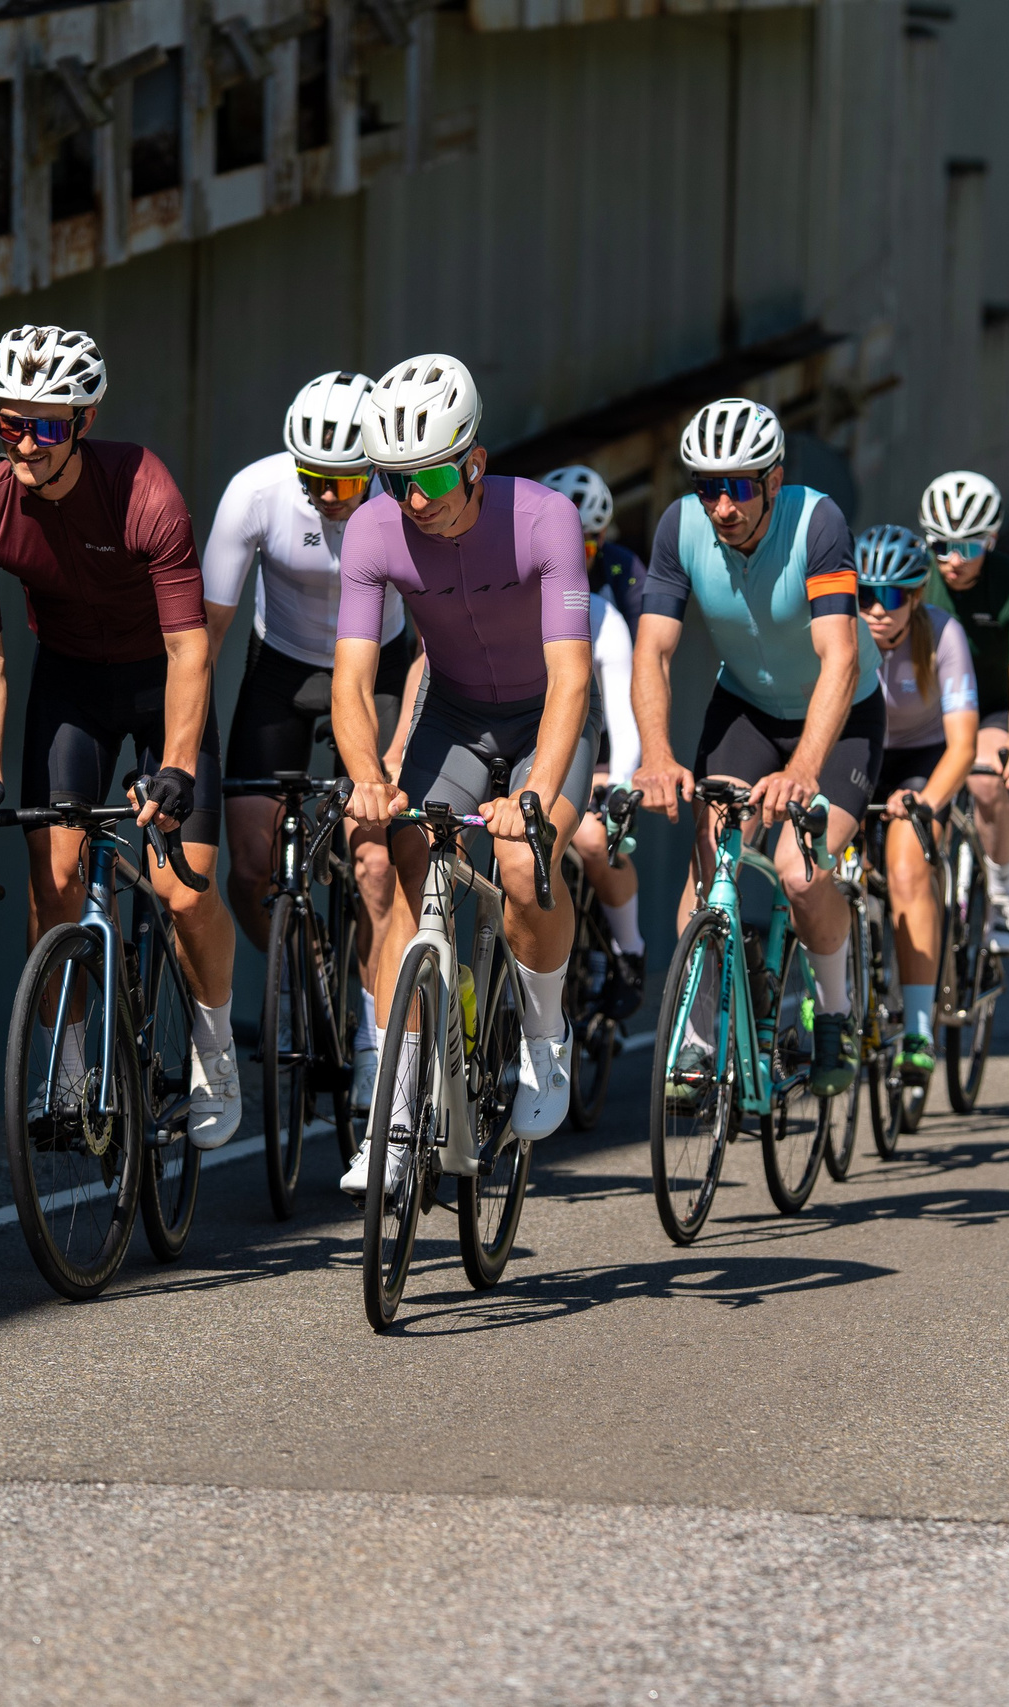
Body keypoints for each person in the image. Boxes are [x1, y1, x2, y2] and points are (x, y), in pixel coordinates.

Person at [0, 325, 242, 1150]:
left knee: (184, 892)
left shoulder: (145, 490)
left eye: (46, 425)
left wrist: (176, 766)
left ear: (84, 421)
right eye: (10, 423)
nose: (26, 443)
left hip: (160, 683)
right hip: (71, 685)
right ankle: (69, 1071)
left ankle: (215, 1049)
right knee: (54, 885)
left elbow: (188, 648)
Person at [332, 354, 597, 1193]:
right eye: (396, 479)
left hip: (544, 712)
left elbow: (572, 678)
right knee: (406, 864)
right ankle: (394, 1117)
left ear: (475, 462)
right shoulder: (372, 530)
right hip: (452, 715)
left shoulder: (546, 520)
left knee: (522, 861)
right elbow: (351, 679)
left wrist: (534, 794)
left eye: (436, 476)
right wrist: (367, 776)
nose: (416, 499)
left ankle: (546, 1043)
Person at [632, 397, 879, 1099]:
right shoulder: (680, 527)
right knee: (710, 859)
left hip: (840, 716)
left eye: (738, 487)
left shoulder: (817, 522)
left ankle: (834, 1012)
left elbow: (840, 659)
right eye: (707, 487)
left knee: (800, 873)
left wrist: (804, 768)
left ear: (773, 480)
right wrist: (656, 752)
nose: (722, 506)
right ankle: (697, 1038)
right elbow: (653, 650)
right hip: (745, 707)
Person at [202, 370, 422, 1116]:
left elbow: (436, 644)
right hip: (282, 671)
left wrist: (398, 749)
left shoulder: (404, 505)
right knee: (248, 870)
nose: (328, 496)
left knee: (374, 862)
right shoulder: (257, 492)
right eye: (313, 479)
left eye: (345, 483)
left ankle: (373, 1038)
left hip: (379, 670)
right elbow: (206, 632)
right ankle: (303, 972)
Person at [858, 524, 979, 1088]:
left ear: (915, 596)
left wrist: (926, 802)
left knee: (907, 868)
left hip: (922, 757)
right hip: (859, 751)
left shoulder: (943, 635)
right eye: (865, 595)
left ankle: (919, 1029)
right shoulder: (839, 630)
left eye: (892, 596)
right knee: (819, 864)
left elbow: (963, 746)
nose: (877, 610)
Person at [921, 471, 1009, 954]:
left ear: (990, 540)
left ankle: (1001, 890)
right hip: (933, 707)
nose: (953, 561)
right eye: (941, 547)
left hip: (994, 707)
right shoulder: (916, 578)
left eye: (968, 548)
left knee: (988, 779)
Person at [542, 465, 646, 999]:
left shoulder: (620, 583)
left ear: (600, 541)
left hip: (605, 722)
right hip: (543, 731)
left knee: (593, 835)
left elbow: (642, 682)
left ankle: (629, 949)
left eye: (582, 546)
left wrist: (622, 780)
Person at [543, 463, 649, 627]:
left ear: (601, 537)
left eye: (584, 550)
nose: (568, 561)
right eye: (555, 548)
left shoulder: (626, 566)